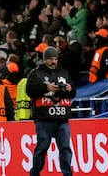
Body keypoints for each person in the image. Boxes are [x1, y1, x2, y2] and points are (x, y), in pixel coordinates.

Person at [26, 46, 76, 176]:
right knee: (42, 148)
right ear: (45, 59)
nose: (54, 62)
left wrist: (70, 88)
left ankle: (67, 174)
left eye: (55, 59)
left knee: (65, 148)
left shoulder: (64, 72)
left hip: (62, 117)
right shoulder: (36, 73)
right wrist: (45, 88)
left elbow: (73, 92)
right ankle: (35, 173)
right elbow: (29, 91)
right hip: (44, 118)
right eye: (51, 59)